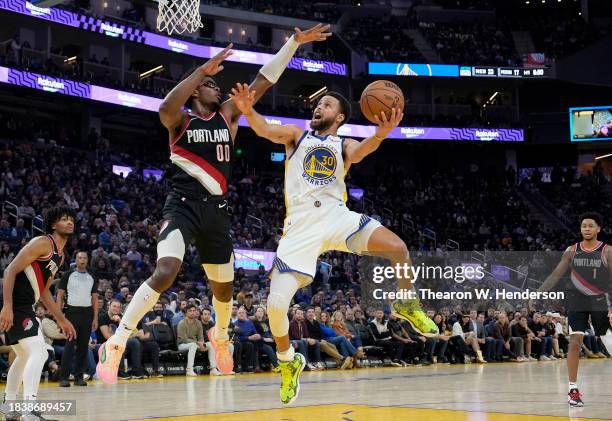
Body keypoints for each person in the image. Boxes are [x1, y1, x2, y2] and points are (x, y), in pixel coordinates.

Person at [96, 23, 331, 383]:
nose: (216, 87)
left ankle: (220, 337)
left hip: (217, 211)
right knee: (166, 271)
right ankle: (118, 340)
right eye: (210, 85)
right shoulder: (180, 120)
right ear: (194, 92)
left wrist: (294, 44)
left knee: (223, 287)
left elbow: (264, 80)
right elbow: (164, 106)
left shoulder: (228, 115)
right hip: (182, 205)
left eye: (215, 85)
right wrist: (200, 72)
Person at [229, 82, 437, 405]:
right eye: (318, 103)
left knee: (398, 248)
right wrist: (248, 110)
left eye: (326, 105)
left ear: (339, 117)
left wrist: (381, 133)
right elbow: (264, 129)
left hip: (335, 216)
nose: (318, 107)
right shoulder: (297, 136)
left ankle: (407, 304)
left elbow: (361, 152)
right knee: (274, 306)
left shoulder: (342, 145)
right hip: (299, 228)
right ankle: (288, 362)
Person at [0, 207, 77, 420]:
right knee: (40, 352)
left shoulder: (59, 257)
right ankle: (30, 408)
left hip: (26, 304)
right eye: (64, 219)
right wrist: (7, 306)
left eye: (71, 219)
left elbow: (43, 290)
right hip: (16, 303)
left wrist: (61, 319)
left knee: (24, 356)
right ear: (53, 225)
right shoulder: (43, 242)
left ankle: (8, 406)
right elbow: (9, 270)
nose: (69, 222)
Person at [535, 212, 611, 407]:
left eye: (590, 225)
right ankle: (572, 389)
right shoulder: (572, 250)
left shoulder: (607, 251)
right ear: (580, 229)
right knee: (575, 341)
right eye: (583, 225)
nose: (586, 228)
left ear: (598, 229)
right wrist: (537, 293)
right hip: (576, 300)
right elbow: (555, 275)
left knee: (608, 341)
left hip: (599, 299)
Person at [56, 251, 98, 387]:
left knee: (82, 347)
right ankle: (64, 377)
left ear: (88, 260)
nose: (82, 260)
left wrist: (95, 317)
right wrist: (59, 315)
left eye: (85, 257)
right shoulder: (68, 275)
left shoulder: (92, 275)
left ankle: (79, 376)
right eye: (80, 257)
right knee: (69, 345)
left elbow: (95, 298)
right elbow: (60, 295)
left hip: (87, 313)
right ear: (76, 260)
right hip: (71, 312)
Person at [176, 304, 206, 376]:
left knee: (210, 345)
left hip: (196, 344)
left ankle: (213, 368)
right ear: (186, 313)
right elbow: (184, 339)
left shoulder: (198, 323)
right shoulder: (182, 323)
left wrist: (202, 343)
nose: (192, 312)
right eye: (190, 311)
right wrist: (197, 343)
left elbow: (200, 336)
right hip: (182, 345)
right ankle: (189, 370)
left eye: (194, 311)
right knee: (193, 345)